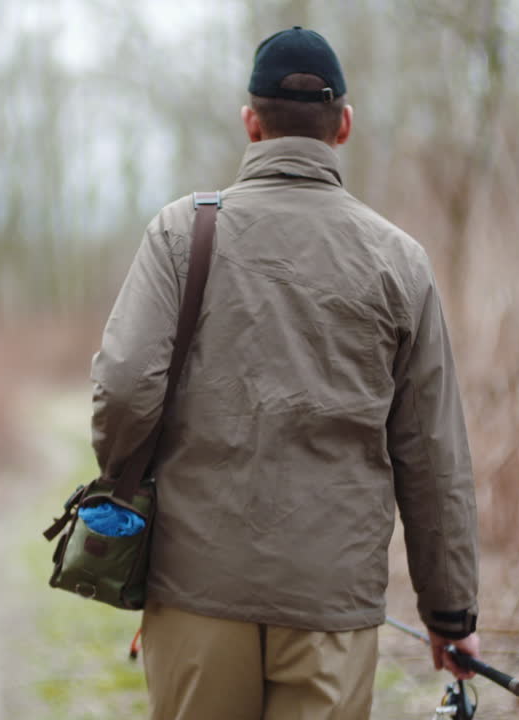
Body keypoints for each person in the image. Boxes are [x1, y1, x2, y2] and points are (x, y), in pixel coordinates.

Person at [90, 26, 480, 720]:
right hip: (331, 605)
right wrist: (448, 612)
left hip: (195, 587)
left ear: (251, 123)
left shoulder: (181, 234)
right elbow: (434, 455)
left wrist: (127, 484)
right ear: (345, 127)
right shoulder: (400, 260)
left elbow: (123, 386)